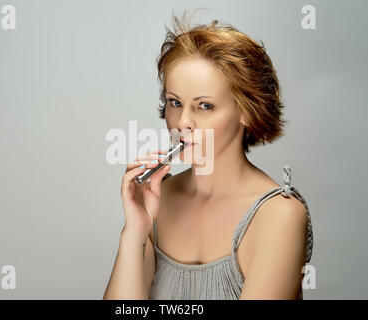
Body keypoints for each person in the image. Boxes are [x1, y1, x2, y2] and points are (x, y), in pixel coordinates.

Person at [103, 12, 313, 300]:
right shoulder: (156, 200)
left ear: (247, 113)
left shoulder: (280, 216)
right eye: (175, 102)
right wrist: (134, 233)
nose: (182, 121)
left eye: (204, 106)